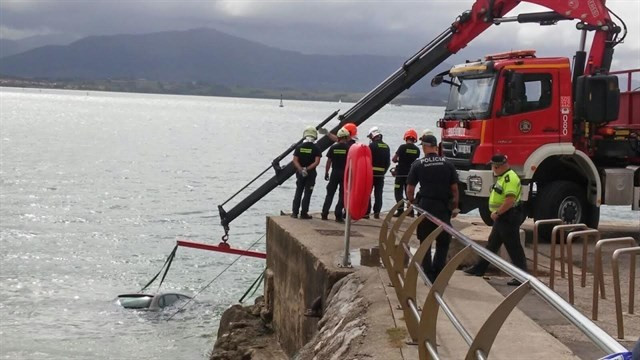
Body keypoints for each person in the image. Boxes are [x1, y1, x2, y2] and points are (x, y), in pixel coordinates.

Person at [464, 154, 527, 286]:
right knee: (492, 244)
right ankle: (479, 268)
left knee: (513, 246)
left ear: (499, 166)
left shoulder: (510, 178)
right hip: (503, 217)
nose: (492, 168)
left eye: (493, 166)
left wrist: (498, 212)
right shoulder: (503, 177)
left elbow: (509, 200)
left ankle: (522, 276)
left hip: (508, 216)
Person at [406, 134, 459, 283]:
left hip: (426, 207)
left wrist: (412, 202)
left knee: (425, 241)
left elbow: (410, 188)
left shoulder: (418, 164)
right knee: (443, 241)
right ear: (436, 147)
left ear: (424, 147)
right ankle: (439, 273)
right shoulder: (448, 164)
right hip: (443, 207)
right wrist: (454, 207)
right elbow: (454, 189)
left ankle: (428, 273)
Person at [291, 126, 322, 219]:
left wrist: (301, 169)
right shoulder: (316, 148)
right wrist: (307, 169)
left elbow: (295, 160)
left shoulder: (299, 147)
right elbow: (317, 162)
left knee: (298, 192)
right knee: (307, 193)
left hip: (300, 173)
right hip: (311, 174)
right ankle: (304, 213)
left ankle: (294, 213)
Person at [321, 128, 351, 222]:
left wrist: (326, 172)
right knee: (342, 195)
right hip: (344, 173)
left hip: (334, 172)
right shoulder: (348, 148)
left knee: (329, 194)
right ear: (346, 137)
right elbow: (351, 163)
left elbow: (328, 162)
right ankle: (338, 215)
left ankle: (324, 214)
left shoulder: (333, 147)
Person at [392, 128, 420, 216]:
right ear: (414, 139)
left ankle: (400, 211)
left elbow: (394, 159)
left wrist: (399, 161)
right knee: (409, 192)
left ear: (406, 138)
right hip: (410, 174)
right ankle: (410, 211)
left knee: (398, 192)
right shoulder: (417, 150)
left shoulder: (402, 147)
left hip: (400, 174)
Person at [366, 127, 391, 219]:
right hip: (381, 174)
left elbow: (367, 160)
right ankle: (377, 213)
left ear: (373, 136)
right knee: (378, 193)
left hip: (371, 173)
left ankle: (366, 213)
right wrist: (384, 172)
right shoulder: (386, 146)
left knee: (368, 193)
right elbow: (388, 162)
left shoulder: (371, 146)